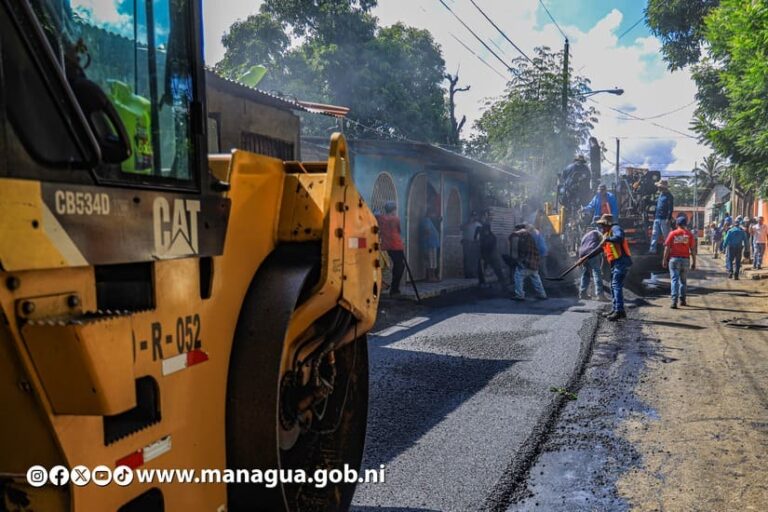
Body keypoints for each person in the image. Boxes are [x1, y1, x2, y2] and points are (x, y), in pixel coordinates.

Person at [596, 214, 632, 321]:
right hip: (616, 263)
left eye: (603, 225)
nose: (602, 227)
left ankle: (619, 311)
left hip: (622, 262)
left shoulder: (616, 229)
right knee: (613, 285)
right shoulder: (607, 234)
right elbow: (601, 250)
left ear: (607, 224)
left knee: (616, 285)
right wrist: (585, 258)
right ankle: (615, 308)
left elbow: (619, 237)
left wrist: (607, 239)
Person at [663, 215, 697, 309]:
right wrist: (694, 262)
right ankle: (683, 300)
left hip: (674, 260)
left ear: (677, 224)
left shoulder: (673, 233)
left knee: (674, 280)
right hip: (685, 260)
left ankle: (674, 301)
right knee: (683, 281)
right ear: (685, 224)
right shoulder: (689, 235)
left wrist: (664, 259)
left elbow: (667, 248)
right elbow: (693, 249)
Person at [509, 224, 547, 301]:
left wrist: (519, 262)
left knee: (518, 276)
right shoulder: (530, 236)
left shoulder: (523, 236)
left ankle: (520, 295)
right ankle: (542, 294)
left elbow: (512, 236)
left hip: (527, 262)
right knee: (535, 277)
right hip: (534, 261)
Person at [376, 201, 406, 296]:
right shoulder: (395, 219)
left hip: (385, 245)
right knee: (400, 266)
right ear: (393, 210)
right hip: (396, 245)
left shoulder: (380, 218)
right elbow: (399, 230)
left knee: (392, 265)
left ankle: (392, 287)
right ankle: (394, 288)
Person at [476, 211, 506, 289]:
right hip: (488, 255)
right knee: (482, 269)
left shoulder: (490, 237)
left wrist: (483, 256)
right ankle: (482, 282)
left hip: (491, 255)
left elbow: (486, 247)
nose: (485, 231)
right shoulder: (487, 235)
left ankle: (503, 284)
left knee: (497, 269)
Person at [577, 225, 607, 301]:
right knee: (596, 272)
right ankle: (600, 295)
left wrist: (581, 258)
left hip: (582, 254)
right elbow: (603, 243)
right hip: (592, 253)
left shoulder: (584, 236)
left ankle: (582, 293)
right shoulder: (597, 232)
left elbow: (581, 246)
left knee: (586, 272)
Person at [648, 179, 674, 253]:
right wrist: (649, 201)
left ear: (663, 188)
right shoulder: (660, 195)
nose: (658, 188)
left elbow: (670, 208)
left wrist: (668, 218)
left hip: (664, 218)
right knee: (654, 234)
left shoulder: (669, 196)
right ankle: (652, 250)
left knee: (666, 236)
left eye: (659, 187)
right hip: (657, 218)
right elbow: (657, 203)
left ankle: (668, 250)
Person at [420, 207, 441, 282]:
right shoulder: (426, 220)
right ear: (429, 213)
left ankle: (433, 276)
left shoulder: (429, 221)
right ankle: (430, 277)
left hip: (432, 244)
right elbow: (427, 231)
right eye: (433, 213)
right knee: (430, 261)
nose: (434, 215)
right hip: (430, 244)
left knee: (433, 261)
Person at [461, 211, 482, 278]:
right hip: (467, 243)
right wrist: (468, 223)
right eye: (472, 216)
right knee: (467, 259)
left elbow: (481, 235)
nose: (473, 217)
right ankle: (467, 274)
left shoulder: (479, 225)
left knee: (474, 259)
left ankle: (474, 273)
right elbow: (461, 229)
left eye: (474, 216)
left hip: (475, 243)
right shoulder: (466, 224)